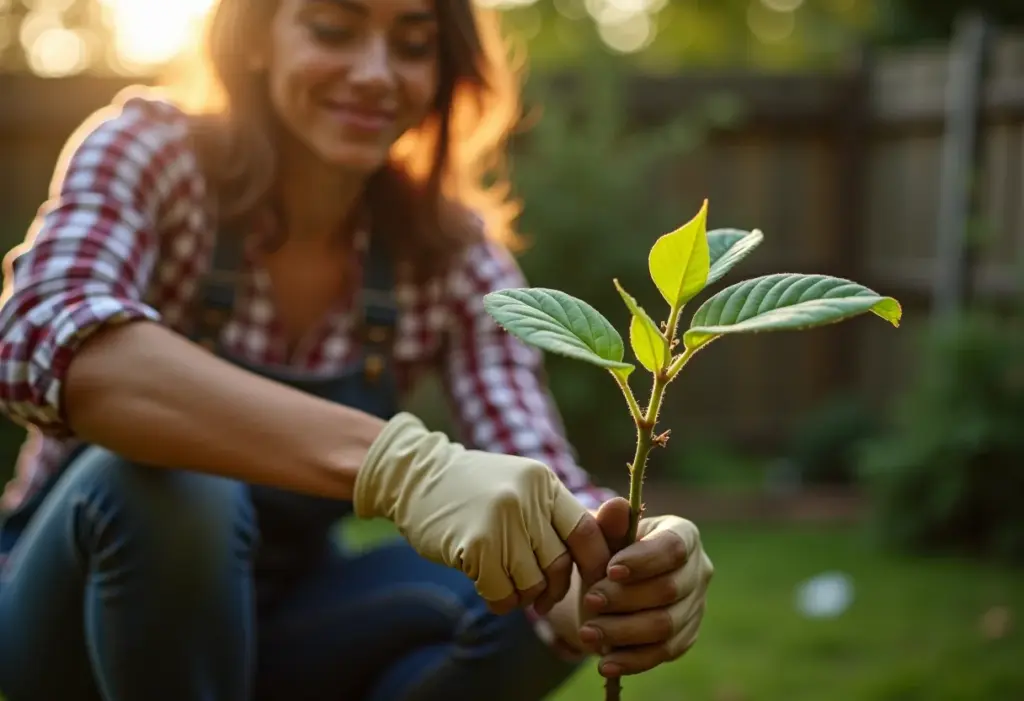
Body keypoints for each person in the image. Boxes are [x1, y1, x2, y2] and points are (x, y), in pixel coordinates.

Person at [0, 1, 714, 700]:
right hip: (61, 617)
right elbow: (41, 338)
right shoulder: (148, 154)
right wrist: (404, 468)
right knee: (168, 482)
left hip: (278, 620)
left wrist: (624, 569)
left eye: (412, 44)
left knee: (518, 603)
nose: (376, 74)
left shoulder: (451, 254)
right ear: (254, 37)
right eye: (334, 29)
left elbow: (535, 464)